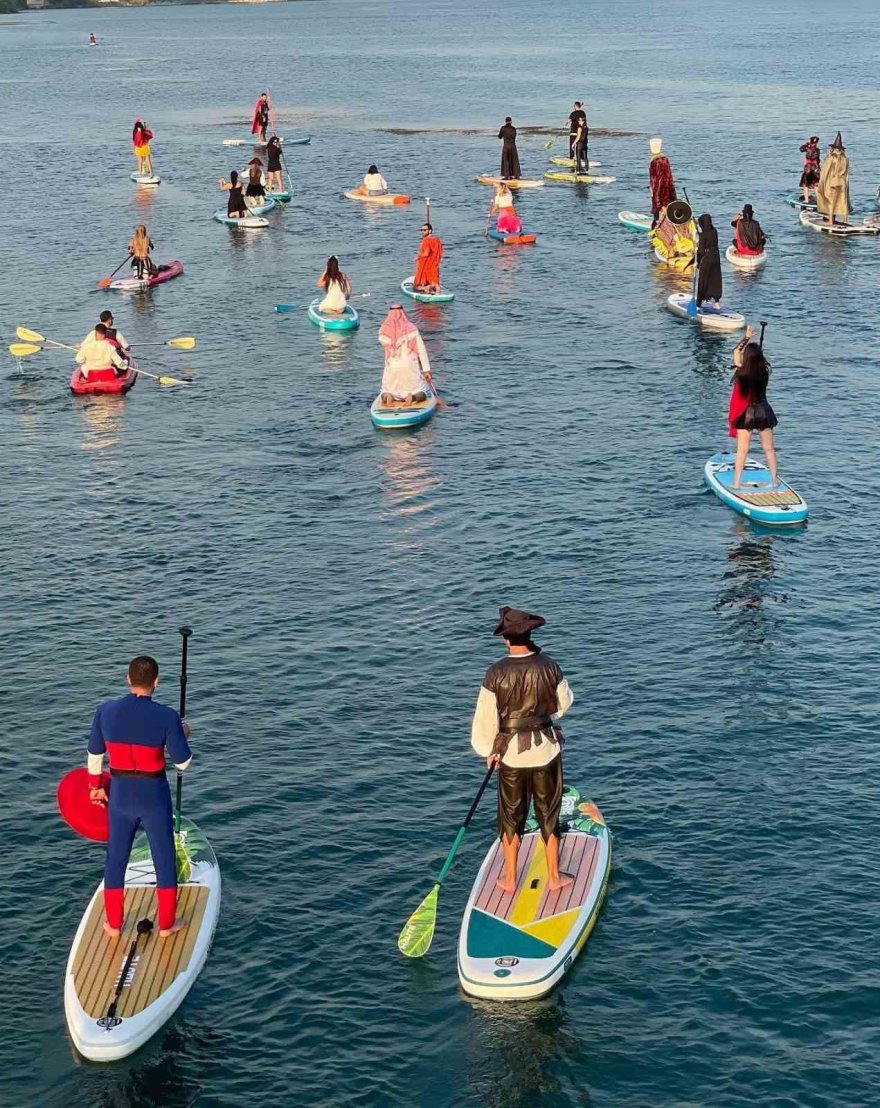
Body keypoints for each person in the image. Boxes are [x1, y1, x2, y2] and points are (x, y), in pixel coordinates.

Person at [87, 654, 192, 939]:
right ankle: (167, 926)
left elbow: (95, 754)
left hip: (119, 795)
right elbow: (182, 762)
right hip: (154, 796)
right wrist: (182, 733)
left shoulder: (105, 711)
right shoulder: (167, 716)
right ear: (156, 682)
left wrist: (95, 786)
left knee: (116, 859)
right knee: (163, 857)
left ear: (127, 679)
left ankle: (113, 925)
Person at [470, 607, 574, 895]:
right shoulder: (550, 665)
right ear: (530, 634)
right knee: (548, 812)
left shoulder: (495, 673)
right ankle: (554, 877)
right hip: (546, 751)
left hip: (510, 756)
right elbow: (563, 705)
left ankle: (510, 878)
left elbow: (486, 718)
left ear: (506, 639)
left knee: (511, 815)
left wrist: (487, 751)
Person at [728, 329, 778, 490]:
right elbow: (760, 362)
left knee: (742, 450)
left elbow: (736, 350)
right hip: (763, 409)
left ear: (746, 358)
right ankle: (774, 481)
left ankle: (736, 483)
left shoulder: (741, 372)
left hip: (747, 412)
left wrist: (747, 337)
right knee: (769, 449)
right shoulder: (765, 371)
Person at [378, 304, 434, 407]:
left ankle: (388, 396)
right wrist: (426, 370)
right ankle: (412, 397)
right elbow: (421, 351)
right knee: (422, 392)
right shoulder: (411, 328)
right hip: (410, 369)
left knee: (385, 391)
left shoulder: (383, 330)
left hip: (392, 370)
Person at [816, 132, 851, 227]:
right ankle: (844, 219)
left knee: (830, 201)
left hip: (832, 182)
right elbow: (848, 171)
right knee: (841, 200)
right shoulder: (845, 158)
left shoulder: (832, 158)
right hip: (842, 182)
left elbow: (825, 169)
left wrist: (827, 157)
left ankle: (831, 221)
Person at [648, 137, 676, 227]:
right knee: (667, 212)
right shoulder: (665, 159)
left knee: (658, 216)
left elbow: (656, 180)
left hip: (659, 191)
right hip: (668, 189)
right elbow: (668, 177)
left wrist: (653, 192)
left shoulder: (654, 161)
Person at [696, 214, 723, 308]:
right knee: (715, 278)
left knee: (703, 279)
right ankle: (716, 301)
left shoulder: (703, 235)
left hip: (707, 257)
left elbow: (700, 251)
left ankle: (699, 302)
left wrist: (698, 263)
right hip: (716, 256)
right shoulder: (714, 231)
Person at [413, 222, 443, 294]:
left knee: (416, 287)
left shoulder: (426, 240)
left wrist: (418, 257)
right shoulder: (437, 239)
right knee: (435, 284)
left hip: (426, 266)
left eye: (424, 230)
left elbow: (426, 253)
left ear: (430, 231)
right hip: (435, 265)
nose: (422, 232)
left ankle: (426, 288)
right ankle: (438, 293)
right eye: (421, 230)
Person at [799, 136, 821, 203]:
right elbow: (818, 160)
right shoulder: (817, 150)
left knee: (806, 185)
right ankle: (818, 200)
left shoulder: (808, 148)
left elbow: (801, 149)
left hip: (808, 168)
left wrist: (806, 145)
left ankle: (806, 200)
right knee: (816, 185)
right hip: (815, 168)